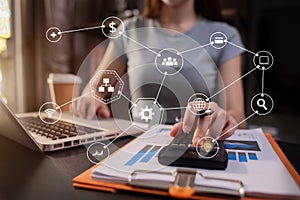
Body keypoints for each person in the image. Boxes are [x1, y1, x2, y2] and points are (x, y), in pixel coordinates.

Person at [73, 0, 246, 145]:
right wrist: (91, 98)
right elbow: (95, 89)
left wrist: (224, 120)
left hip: (197, 145)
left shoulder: (225, 35)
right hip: (137, 145)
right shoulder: (130, 30)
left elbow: (237, 115)